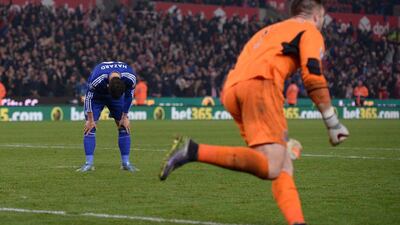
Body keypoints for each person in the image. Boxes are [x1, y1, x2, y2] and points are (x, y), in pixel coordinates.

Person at [159, 1, 350, 225]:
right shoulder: (310, 30)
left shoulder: (268, 30)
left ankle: (297, 222)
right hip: (261, 85)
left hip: (232, 89)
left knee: (282, 165)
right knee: (270, 166)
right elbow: (313, 76)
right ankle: (192, 150)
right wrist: (332, 122)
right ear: (317, 15)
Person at [77, 61, 138, 172]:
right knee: (90, 127)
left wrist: (125, 116)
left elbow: (129, 96)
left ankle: (125, 163)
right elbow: (88, 98)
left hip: (117, 97)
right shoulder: (97, 79)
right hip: (97, 96)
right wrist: (90, 120)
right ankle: (89, 164)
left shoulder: (130, 77)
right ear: (108, 84)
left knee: (124, 126)